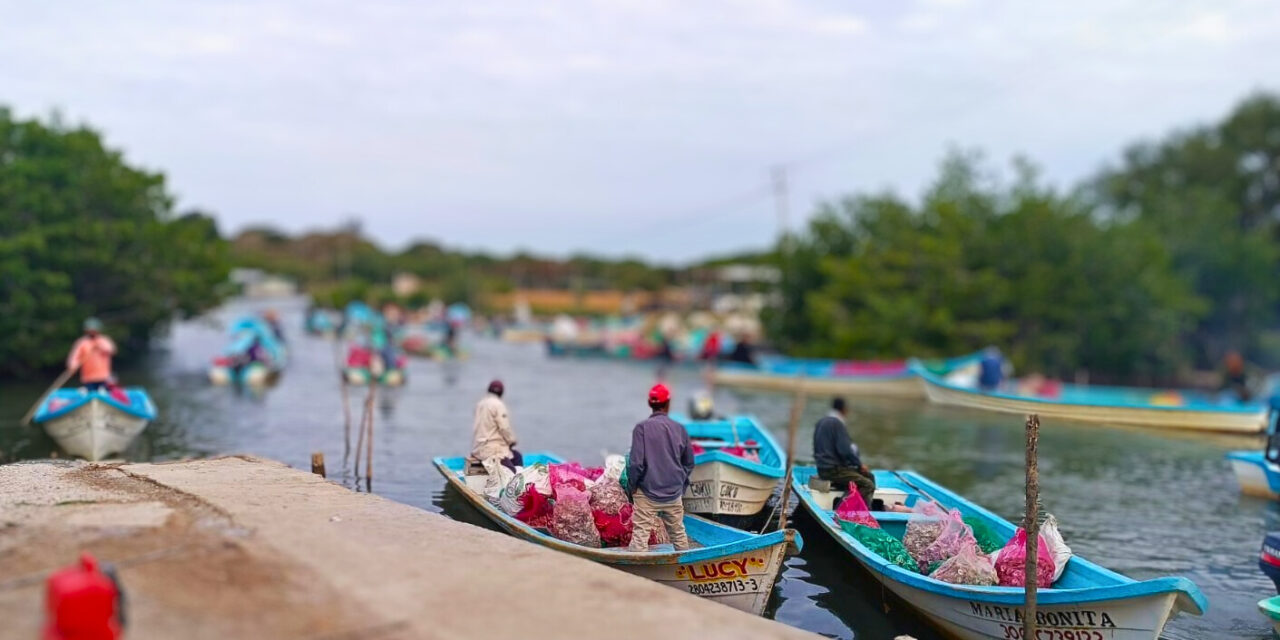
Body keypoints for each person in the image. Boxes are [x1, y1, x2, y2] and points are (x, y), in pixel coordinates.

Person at [626, 383, 694, 552]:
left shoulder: (641, 429)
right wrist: (681, 484)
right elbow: (689, 463)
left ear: (650, 404)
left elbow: (636, 464)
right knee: (678, 534)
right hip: (673, 492)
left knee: (640, 536)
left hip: (647, 492)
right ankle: (685, 567)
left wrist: (632, 487)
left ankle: (637, 572)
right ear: (668, 404)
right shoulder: (680, 429)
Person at [813, 397, 875, 507]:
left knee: (868, 476)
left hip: (822, 468)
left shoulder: (821, 422)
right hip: (833, 470)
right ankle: (841, 510)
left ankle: (863, 510)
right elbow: (845, 450)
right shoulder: (837, 423)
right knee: (868, 484)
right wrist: (859, 464)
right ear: (844, 410)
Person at [471, 379, 521, 471]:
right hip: (492, 451)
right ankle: (518, 483)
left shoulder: (480, 404)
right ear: (502, 393)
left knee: (515, 455)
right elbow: (504, 428)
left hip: (478, 448)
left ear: (488, 390)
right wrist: (512, 441)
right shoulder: (498, 405)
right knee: (516, 461)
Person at [67, 318, 117, 392]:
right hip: (88, 377)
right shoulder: (81, 342)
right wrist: (73, 366)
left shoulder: (104, 340)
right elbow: (74, 357)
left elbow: (112, 350)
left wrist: (99, 346)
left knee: (104, 392)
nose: (92, 332)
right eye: (90, 330)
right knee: (91, 391)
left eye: (94, 330)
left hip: (103, 376)